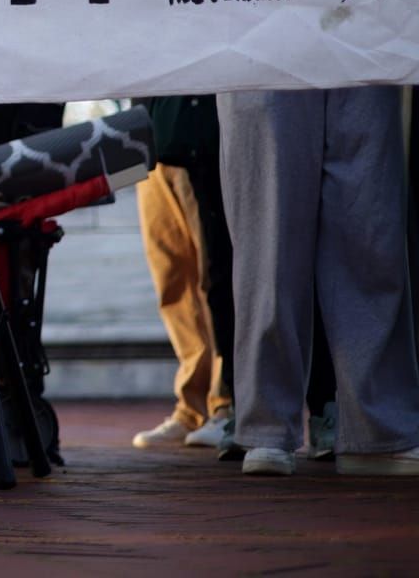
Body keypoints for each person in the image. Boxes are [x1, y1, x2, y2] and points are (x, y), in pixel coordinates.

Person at [217, 88, 419, 477]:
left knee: (370, 227)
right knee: (269, 228)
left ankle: (377, 428)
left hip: (359, 33)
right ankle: (267, 426)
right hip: (265, 35)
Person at [131, 95, 231, 451]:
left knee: (212, 272)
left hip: (195, 127)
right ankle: (191, 406)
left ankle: (225, 404)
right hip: (146, 130)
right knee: (170, 277)